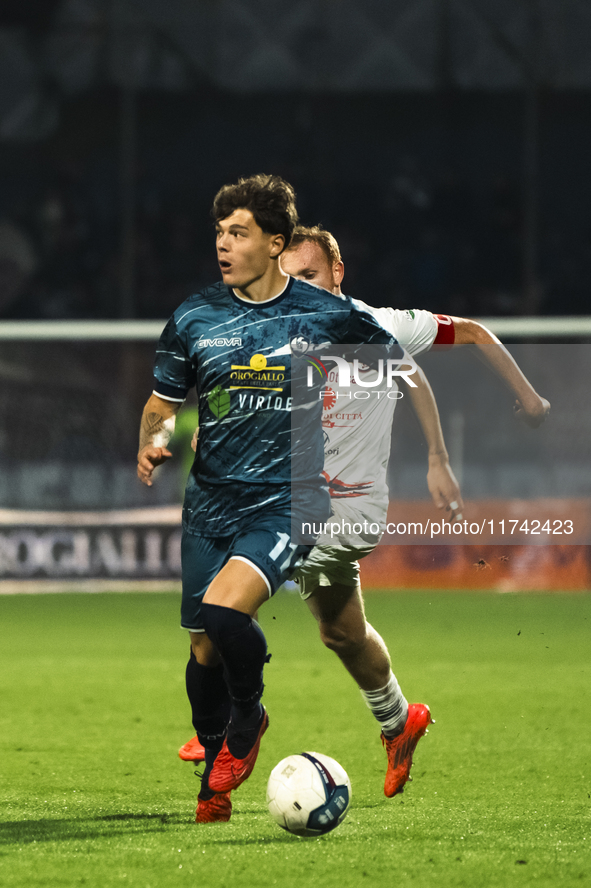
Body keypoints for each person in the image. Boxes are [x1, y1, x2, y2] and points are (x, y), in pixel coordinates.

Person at [180, 223, 550, 799]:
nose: (298, 286)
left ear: (338, 273)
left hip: (346, 512)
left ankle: (231, 728)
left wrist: (525, 398)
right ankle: (399, 722)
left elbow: (473, 333)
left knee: (221, 616)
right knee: (340, 632)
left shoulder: (381, 325)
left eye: (309, 275)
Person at [137, 177, 404, 824]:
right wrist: (154, 438)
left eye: (239, 233)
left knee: (227, 617)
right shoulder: (194, 316)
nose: (224, 245)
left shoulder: (323, 313)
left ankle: (249, 716)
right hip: (208, 504)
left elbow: (389, 364)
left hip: (286, 502)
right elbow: (162, 403)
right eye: (220, 233)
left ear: (275, 243)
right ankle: (212, 779)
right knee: (203, 648)